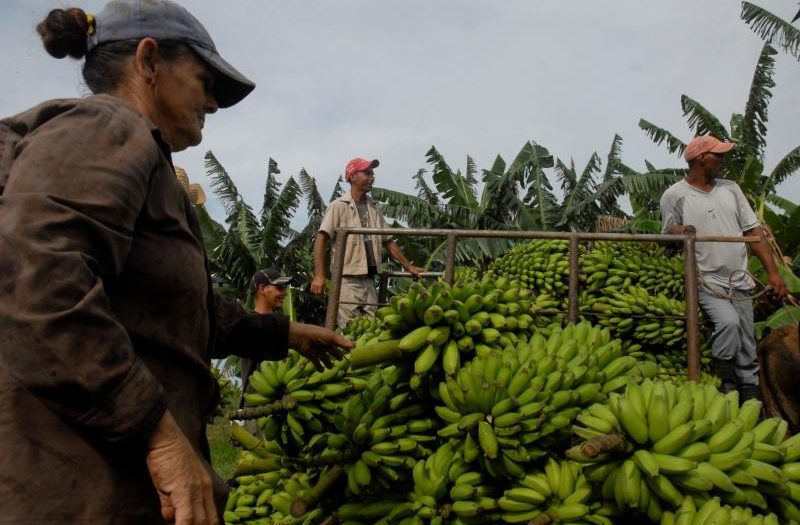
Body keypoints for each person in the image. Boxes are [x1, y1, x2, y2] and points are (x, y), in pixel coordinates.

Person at [0, 2, 351, 524]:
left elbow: (165, 308)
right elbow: (36, 277)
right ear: (148, 61)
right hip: (80, 486)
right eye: (205, 80)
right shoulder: (107, 126)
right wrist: (159, 436)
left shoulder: (140, 156)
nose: (213, 101)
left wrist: (282, 333)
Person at [660, 135, 788, 400]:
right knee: (728, 323)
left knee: (746, 338)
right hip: (706, 278)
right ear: (700, 159)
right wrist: (680, 230)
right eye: (717, 155)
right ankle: (726, 382)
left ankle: (750, 392)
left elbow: (753, 231)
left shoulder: (730, 189)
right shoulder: (675, 195)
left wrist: (774, 272)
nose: (722, 160)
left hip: (739, 278)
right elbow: (667, 233)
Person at [311, 157, 423, 327]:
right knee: (350, 329)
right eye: (367, 173)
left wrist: (408, 266)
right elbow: (321, 239)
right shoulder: (339, 206)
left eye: (372, 173)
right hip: (347, 280)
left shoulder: (373, 207)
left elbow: (388, 241)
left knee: (372, 328)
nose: (372, 177)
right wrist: (319, 275)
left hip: (370, 280)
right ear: (352, 176)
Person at [240, 268, 294, 397]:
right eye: (279, 288)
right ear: (262, 288)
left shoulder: (279, 325)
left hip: (283, 401)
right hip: (258, 402)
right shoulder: (249, 323)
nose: (285, 293)